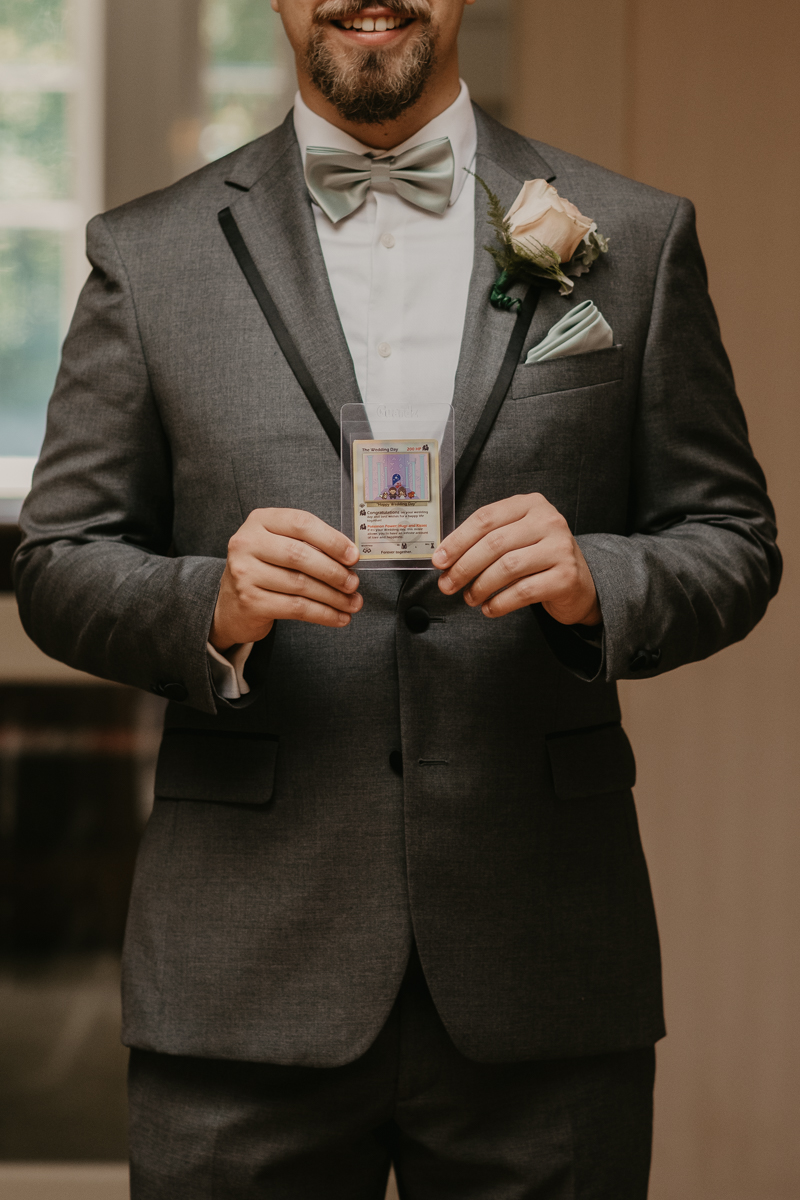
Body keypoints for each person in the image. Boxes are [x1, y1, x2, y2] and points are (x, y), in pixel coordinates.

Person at [13, 1, 781, 1197]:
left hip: (542, 961)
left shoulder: (633, 232)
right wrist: (211, 601)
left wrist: (596, 579)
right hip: (241, 972)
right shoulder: (146, 251)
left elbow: (731, 543)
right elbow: (57, 561)